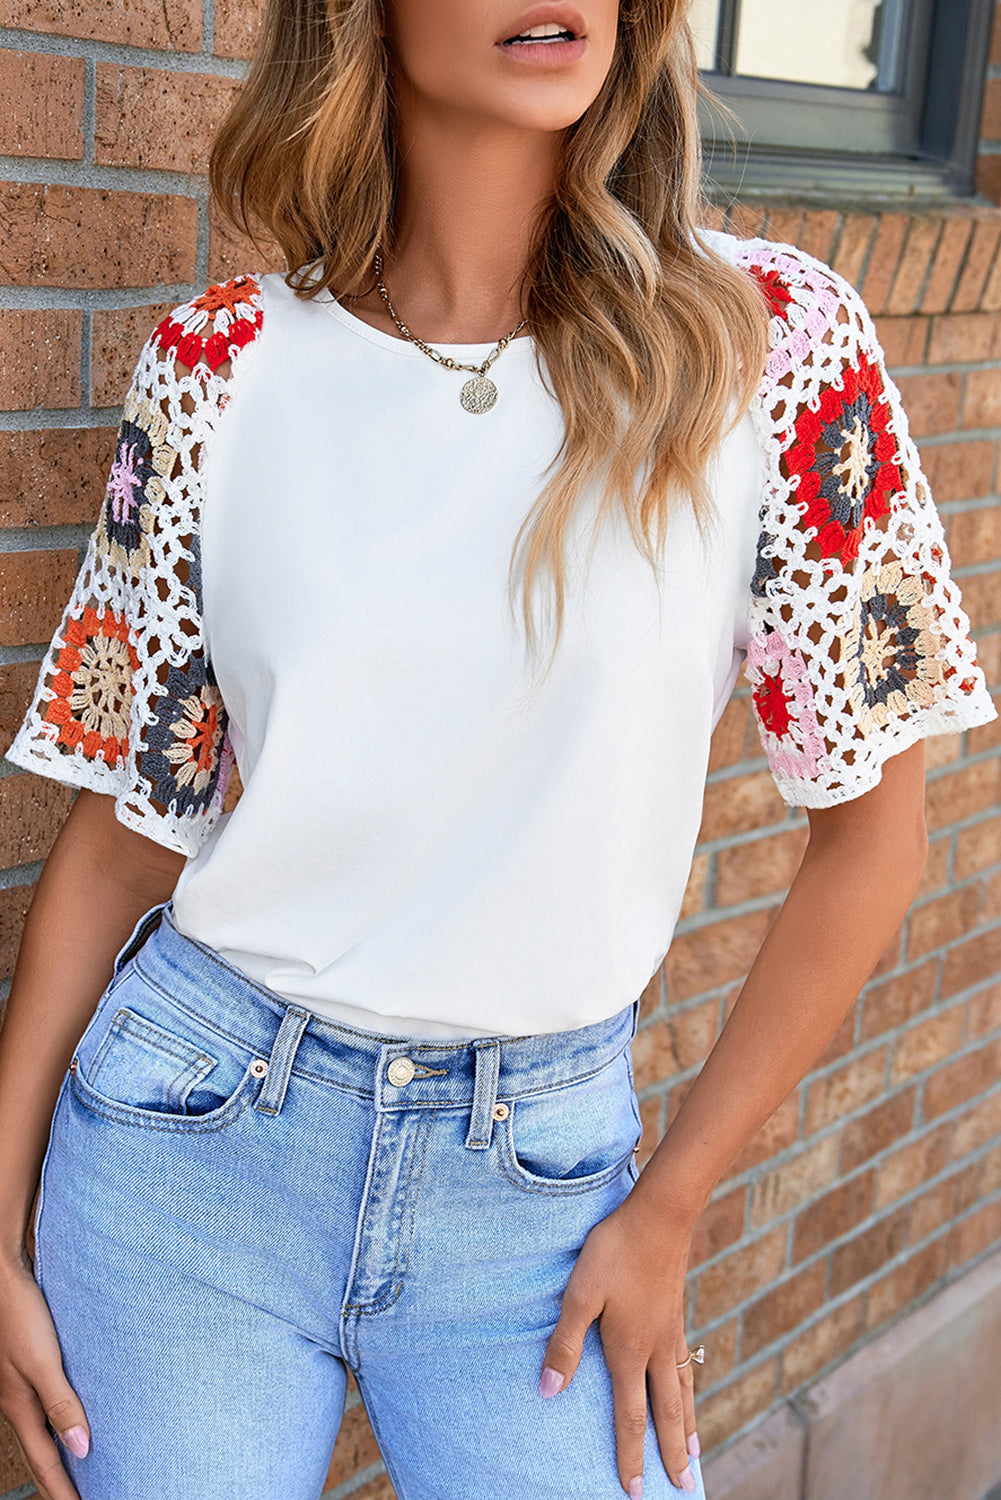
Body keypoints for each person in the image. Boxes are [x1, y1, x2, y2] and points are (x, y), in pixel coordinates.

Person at [0, 1, 995, 1498]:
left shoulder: (771, 347)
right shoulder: (217, 368)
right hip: (187, 1153)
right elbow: (131, 825)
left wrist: (670, 1210)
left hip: (536, 1192)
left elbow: (873, 839)